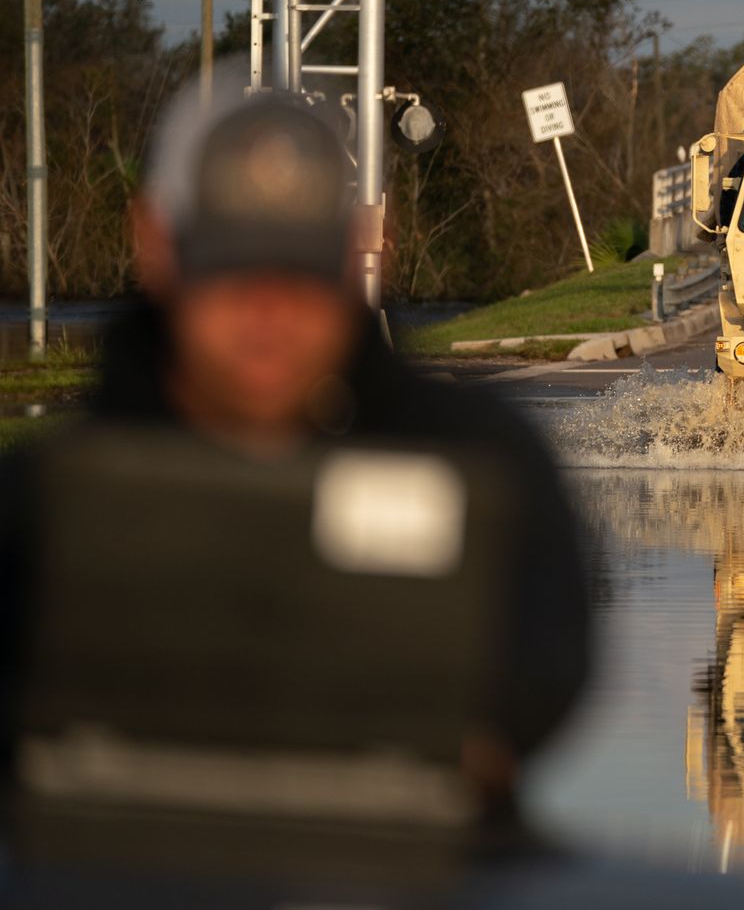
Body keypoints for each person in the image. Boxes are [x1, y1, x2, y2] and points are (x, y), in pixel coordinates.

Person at [0, 88, 592, 807]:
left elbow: (544, 674)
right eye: (232, 271)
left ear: (355, 254)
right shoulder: (40, 504)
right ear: (157, 247)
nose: (268, 316)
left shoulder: (487, 469)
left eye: (301, 273)